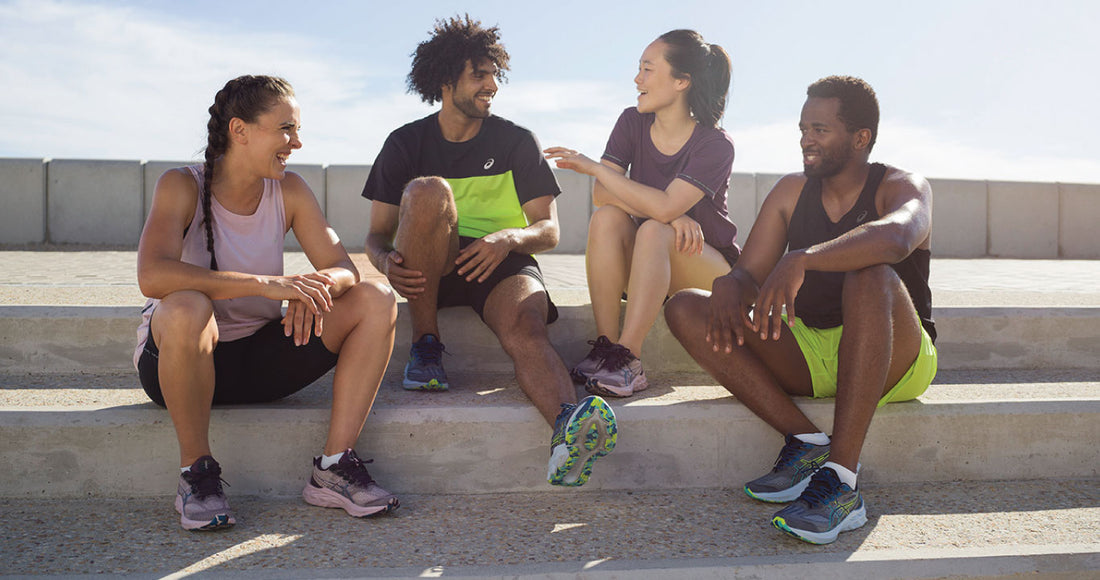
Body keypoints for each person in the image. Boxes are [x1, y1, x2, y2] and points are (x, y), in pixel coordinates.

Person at [664, 76, 937, 544]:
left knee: (870, 275)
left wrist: (805, 258)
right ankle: (808, 443)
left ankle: (842, 483)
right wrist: (731, 284)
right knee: (687, 307)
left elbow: (895, 239)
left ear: (860, 138)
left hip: (896, 359)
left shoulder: (901, 187)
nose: (806, 140)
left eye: (820, 130)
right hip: (812, 350)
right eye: (803, 129)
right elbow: (749, 274)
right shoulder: (791, 191)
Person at [135, 75, 400, 531]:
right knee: (186, 306)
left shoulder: (290, 189)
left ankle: (334, 467)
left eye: (296, 130)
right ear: (240, 130)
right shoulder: (181, 185)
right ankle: (197, 474)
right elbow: (152, 276)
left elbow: (345, 269)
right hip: (180, 362)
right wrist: (266, 285)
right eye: (285, 129)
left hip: (261, 361)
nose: (296, 142)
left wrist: (314, 287)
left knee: (376, 297)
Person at [363, 15, 617, 487]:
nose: (492, 85)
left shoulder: (516, 140)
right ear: (446, 81)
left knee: (526, 325)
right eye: (479, 75)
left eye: (494, 74)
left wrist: (507, 238)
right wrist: (384, 263)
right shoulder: (404, 142)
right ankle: (426, 343)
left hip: (499, 259)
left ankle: (568, 428)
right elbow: (376, 236)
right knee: (428, 190)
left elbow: (548, 230)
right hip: (430, 263)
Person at [545, 29, 739, 398]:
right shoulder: (631, 121)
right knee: (608, 219)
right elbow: (604, 195)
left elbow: (655, 202)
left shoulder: (715, 144)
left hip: (709, 274)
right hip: (649, 265)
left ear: (681, 81)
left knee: (653, 230)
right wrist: (670, 214)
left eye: (648, 70)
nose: (638, 80)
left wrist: (597, 168)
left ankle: (629, 359)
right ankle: (606, 348)